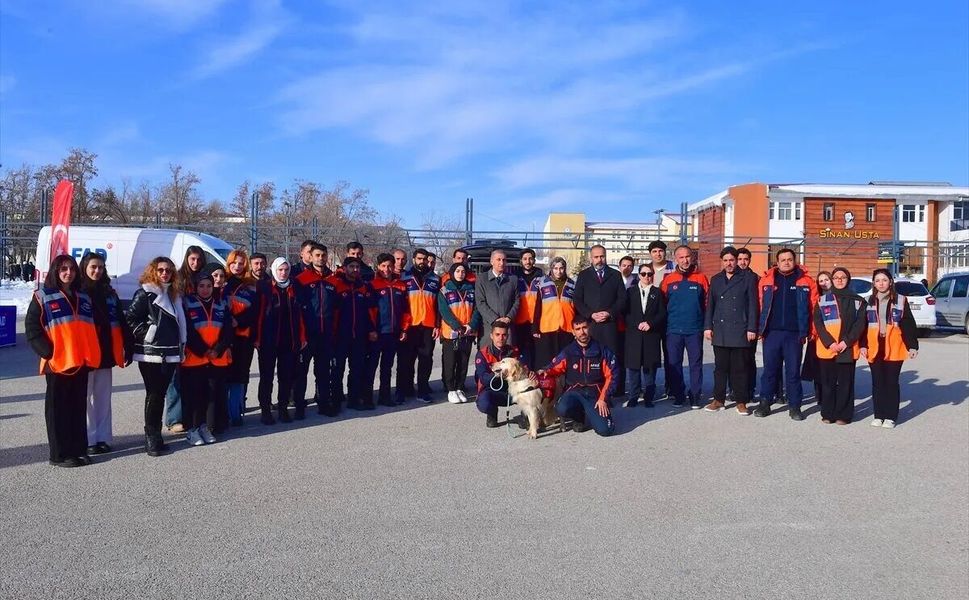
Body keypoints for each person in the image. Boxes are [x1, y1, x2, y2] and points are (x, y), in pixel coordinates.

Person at [26, 255, 103, 467]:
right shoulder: (42, 296)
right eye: (63, 269)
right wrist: (48, 352)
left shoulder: (83, 297)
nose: (68, 272)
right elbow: (32, 329)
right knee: (58, 410)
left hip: (81, 362)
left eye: (71, 269)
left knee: (77, 408)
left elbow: (93, 327)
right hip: (58, 364)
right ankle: (59, 454)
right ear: (55, 271)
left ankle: (78, 449)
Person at [126, 256, 187, 457]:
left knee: (160, 394)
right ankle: (151, 437)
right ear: (153, 270)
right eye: (161, 269)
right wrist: (150, 332)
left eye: (169, 270)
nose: (164, 273)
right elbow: (130, 319)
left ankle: (156, 436)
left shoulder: (174, 294)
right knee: (153, 394)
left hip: (170, 352)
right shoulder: (145, 292)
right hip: (151, 353)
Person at [753, 249, 819, 421]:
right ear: (777, 262)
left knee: (793, 372)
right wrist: (759, 328)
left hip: (794, 335)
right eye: (783, 260)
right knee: (769, 371)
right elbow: (759, 305)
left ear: (794, 261)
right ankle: (765, 403)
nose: (787, 262)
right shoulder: (766, 280)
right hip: (771, 333)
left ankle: (795, 406)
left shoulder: (806, 281)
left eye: (790, 259)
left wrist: (811, 331)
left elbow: (814, 308)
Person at [78, 252, 132, 455]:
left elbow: (121, 320)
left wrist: (128, 344)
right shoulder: (78, 292)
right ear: (84, 267)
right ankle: (89, 438)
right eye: (93, 266)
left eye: (100, 267)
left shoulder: (110, 293)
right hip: (86, 352)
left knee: (102, 397)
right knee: (86, 398)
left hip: (107, 351)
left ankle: (103, 438)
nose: (97, 270)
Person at [539, 316, 616, 436]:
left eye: (584, 327)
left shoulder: (602, 351)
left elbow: (612, 376)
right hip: (574, 390)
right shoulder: (569, 351)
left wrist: (603, 399)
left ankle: (599, 416)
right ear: (573, 332)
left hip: (595, 393)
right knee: (561, 408)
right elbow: (554, 367)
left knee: (605, 430)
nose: (582, 332)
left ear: (589, 328)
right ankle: (580, 417)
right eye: (578, 329)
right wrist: (542, 371)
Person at [703, 247, 758, 414]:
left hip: (740, 329)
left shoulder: (747, 278)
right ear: (722, 261)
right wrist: (707, 327)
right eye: (726, 260)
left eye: (732, 260)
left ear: (736, 260)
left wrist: (751, 327)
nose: (729, 263)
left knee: (739, 368)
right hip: (720, 329)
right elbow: (710, 305)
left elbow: (753, 305)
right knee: (720, 368)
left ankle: (741, 401)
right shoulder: (716, 279)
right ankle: (718, 399)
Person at [180, 271, 233, 445]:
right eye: (201, 286)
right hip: (194, 357)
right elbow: (187, 330)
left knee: (208, 394)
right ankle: (191, 429)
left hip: (215, 358)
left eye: (209, 286)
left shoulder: (220, 304)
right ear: (195, 287)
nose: (205, 289)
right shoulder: (188, 303)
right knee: (193, 395)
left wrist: (217, 349)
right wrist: (203, 350)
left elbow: (227, 330)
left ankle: (203, 426)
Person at [862, 269, 919, 429]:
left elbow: (908, 323)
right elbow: (863, 326)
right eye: (878, 280)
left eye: (884, 280)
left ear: (890, 282)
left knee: (891, 382)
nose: (881, 283)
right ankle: (878, 415)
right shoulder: (868, 301)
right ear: (874, 283)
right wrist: (863, 345)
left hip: (894, 345)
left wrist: (912, 345)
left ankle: (890, 416)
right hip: (875, 345)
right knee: (877, 382)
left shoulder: (900, 300)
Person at [255, 258, 306, 424]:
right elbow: (259, 314)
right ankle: (265, 410)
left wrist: (302, 336)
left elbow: (301, 315)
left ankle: (283, 408)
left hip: (289, 340)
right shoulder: (265, 287)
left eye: (286, 270)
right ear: (274, 270)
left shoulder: (295, 287)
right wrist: (257, 338)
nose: (283, 273)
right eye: (280, 270)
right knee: (266, 377)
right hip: (268, 340)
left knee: (286, 377)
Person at [813, 267, 866, 425]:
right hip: (828, 347)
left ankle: (844, 415)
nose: (840, 280)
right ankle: (828, 413)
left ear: (848, 279)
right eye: (836, 277)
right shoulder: (822, 300)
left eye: (843, 277)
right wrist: (830, 343)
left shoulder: (858, 301)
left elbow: (860, 324)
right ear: (832, 280)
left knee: (845, 383)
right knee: (828, 383)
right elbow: (818, 323)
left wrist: (845, 342)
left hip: (847, 348)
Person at [660, 245, 710, 409]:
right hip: (673, 330)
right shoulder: (668, 280)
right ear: (676, 259)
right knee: (674, 363)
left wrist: (707, 326)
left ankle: (695, 395)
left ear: (693, 258)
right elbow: (662, 305)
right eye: (681, 257)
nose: (685, 260)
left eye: (687, 256)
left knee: (696, 364)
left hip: (694, 330)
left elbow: (707, 304)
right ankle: (678, 394)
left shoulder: (701, 278)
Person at [165, 245, 206, 434]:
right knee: (175, 378)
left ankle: (192, 416)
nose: (195, 263)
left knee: (193, 380)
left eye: (198, 259)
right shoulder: (179, 278)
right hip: (179, 332)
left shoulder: (204, 277)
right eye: (192, 259)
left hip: (199, 333)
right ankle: (174, 418)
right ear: (186, 259)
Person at [293, 242, 337, 416]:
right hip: (307, 335)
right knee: (301, 372)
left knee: (323, 371)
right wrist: (301, 334)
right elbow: (297, 309)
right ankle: (299, 406)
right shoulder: (301, 279)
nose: (321, 258)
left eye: (323, 255)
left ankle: (324, 404)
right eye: (317, 255)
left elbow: (336, 309)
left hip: (325, 334)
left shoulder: (333, 280)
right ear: (310, 257)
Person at [328, 257, 378, 410]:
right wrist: (333, 333)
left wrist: (371, 329)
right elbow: (331, 311)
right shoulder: (336, 285)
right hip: (341, 336)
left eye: (357, 267)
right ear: (344, 268)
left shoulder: (364, 287)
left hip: (359, 336)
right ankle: (336, 401)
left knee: (356, 369)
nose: (355, 269)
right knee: (337, 370)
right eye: (351, 266)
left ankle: (354, 400)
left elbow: (370, 312)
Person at [399, 248, 440, 403]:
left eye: (425, 259)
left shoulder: (435, 279)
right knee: (406, 359)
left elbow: (439, 305)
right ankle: (404, 389)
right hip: (410, 325)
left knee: (426, 359)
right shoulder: (404, 277)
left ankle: (423, 389)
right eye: (419, 259)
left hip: (428, 325)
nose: (422, 262)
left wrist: (437, 325)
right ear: (414, 259)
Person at [223, 249, 260, 425]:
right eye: (234, 263)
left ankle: (236, 413)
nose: (237, 266)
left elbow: (255, 311)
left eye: (241, 263)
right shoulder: (222, 281)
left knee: (240, 376)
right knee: (223, 376)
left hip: (243, 336)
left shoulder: (251, 284)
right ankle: (222, 413)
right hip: (224, 337)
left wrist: (239, 321)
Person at [622, 263, 666, 408]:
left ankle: (649, 397)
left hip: (651, 334)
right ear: (639, 275)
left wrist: (650, 324)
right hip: (634, 334)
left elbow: (662, 313)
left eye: (649, 274)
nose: (647, 277)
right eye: (643, 274)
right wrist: (637, 324)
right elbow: (626, 313)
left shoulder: (658, 292)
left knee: (649, 367)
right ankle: (633, 396)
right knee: (633, 367)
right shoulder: (630, 292)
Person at [368, 253, 409, 407]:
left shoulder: (401, 285)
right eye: (383, 266)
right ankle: (368, 397)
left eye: (389, 266)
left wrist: (404, 329)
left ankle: (385, 396)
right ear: (378, 267)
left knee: (387, 367)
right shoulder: (372, 285)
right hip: (377, 333)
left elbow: (406, 311)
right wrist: (371, 329)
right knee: (371, 366)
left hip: (393, 333)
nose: (387, 269)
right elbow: (369, 310)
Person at [439, 262, 481, 403]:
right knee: (450, 362)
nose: (460, 274)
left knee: (463, 362)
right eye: (457, 271)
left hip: (467, 332)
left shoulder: (471, 290)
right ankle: (451, 389)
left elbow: (476, 309)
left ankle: (459, 387)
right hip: (451, 332)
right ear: (452, 273)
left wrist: (472, 324)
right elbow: (444, 311)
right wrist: (456, 325)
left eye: (463, 271)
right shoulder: (444, 290)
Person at [573, 244, 626, 356]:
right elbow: (577, 299)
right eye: (596, 257)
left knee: (610, 359)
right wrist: (590, 314)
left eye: (602, 256)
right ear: (591, 258)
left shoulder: (615, 275)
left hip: (610, 326)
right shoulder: (583, 275)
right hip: (590, 325)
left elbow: (622, 299)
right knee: (592, 359)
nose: (599, 260)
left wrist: (609, 313)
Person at [474, 321, 524, 428]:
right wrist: (499, 374)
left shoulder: (514, 352)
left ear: (507, 336)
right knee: (484, 403)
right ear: (491, 336)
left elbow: (524, 371)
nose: (501, 338)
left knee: (529, 390)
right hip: (492, 391)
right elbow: (484, 378)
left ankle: (526, 415)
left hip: (511, 391)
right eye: (497, 335)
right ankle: (492, 414)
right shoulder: (482, 354)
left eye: (504, 335)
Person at [531, 257, 576, 369]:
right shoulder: (542, 282)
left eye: (561, 268)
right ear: (551, 269)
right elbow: (538, 307)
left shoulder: (572, 284)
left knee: (564, 361)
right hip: (547, 328)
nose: (558, 271)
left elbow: (576, 307)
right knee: (546, 362)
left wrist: (577, 327)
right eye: (555, 268)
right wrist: (535, 327)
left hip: (567, 328)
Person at [806, 271, 834, 409]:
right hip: (817, 336)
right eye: (821, 281)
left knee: (831, 368)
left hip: (834, 337)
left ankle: (831, 393)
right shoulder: (817, 297)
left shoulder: (837, 296)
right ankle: (819, 394)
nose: (824, 283)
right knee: (818, 368)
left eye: (826, 279)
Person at [513, 248, 542, 366]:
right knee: (521, 354)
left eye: (530, 258)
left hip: (536, 321)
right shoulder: (515, 277)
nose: (528, 261)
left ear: (534, 260)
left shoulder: (541, 276)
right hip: (519, 321)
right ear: (521, 261)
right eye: (525, 259)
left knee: (536, 353)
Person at [736, 247, 758, 402]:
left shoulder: (755, 278)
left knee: (749, 360)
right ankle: (735, 390)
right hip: (734, 326)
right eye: (740, 259)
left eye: (746, 259)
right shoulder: (731, 277)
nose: (743, 262)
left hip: (750, 326)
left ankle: (750, 389)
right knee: (735, 361)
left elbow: (756, 304)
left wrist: (753, 326)